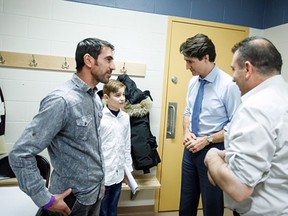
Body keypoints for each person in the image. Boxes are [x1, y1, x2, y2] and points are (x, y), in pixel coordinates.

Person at [8, 37, 116, 216]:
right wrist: (45, 199)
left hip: (94, 196)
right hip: (70, 202)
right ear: (88, 60)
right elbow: (20, 154)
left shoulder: (95, 99)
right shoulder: (62, 101)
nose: (113, 66)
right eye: (109, 59)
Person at [204, 36, 288, 216]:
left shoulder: (255, 109)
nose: (233, 78)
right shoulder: (283, 97)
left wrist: (212, 158)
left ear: (248, 69)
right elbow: (273, 154)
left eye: (234, 69)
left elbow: (238, 187)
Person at [179, 33, 241, 216]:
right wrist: (186, 132)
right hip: (190, 150)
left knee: (212, 206)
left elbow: (235, 125)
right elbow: (187, 111)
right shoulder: (193, 82)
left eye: (190, 61)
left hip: (214, 151)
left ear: (206, 58)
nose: (187, 66)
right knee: (186, 203)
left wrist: (207, 140)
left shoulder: (229, 85)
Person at [99, 79, 133, 216]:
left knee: (113, 207)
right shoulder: (100, 117)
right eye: (118, 95)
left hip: (118, 172)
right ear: (107, 97)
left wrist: (128, 171)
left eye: (123, 94)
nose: (122, 98)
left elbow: (126, 144)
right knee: (102, 209)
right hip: (104, 173)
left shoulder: (125, 117)